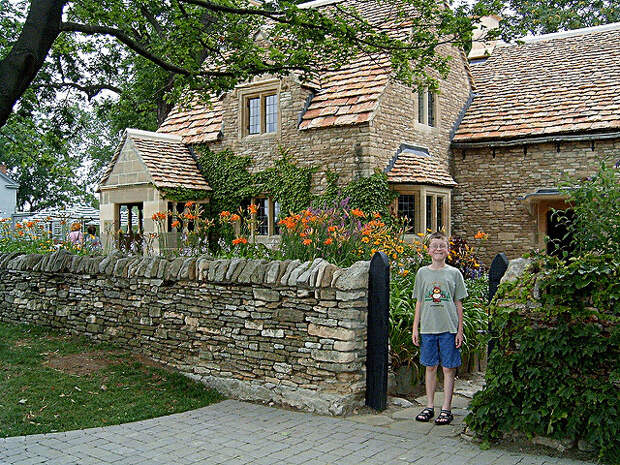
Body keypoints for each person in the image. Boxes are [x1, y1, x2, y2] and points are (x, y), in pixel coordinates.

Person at [411, 231, 467, 426]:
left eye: (441, 246)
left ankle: (446, 408)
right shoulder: (422, 273)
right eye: (434, 246)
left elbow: (458, 303)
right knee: (430, 366)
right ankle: (429, 406)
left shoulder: (454, 273)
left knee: (448, 368)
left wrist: (460, 330)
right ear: (428, 250)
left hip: (449, 328)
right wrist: (415, 328)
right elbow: (419, 301)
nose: (438, 249)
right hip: (427, 328)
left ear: (447, 249)